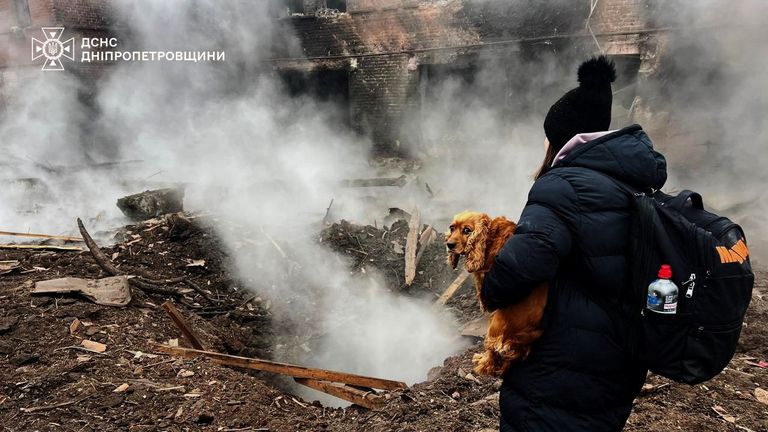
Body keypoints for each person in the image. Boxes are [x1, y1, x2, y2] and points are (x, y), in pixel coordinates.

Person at [481, 55, 667, 431]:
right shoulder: (635, 183)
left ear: (560, 137)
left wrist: (490, 284)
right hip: (619, 363)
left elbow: (516, 270)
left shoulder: (562, 187)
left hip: (561, 367)